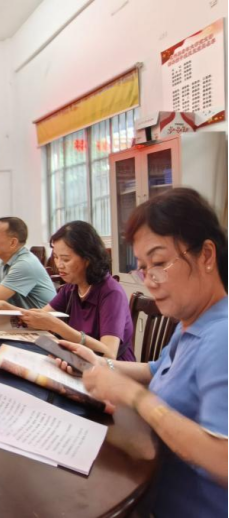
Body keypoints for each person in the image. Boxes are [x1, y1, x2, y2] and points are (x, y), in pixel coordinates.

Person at [55, 189, 227, 518]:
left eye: (159, 263)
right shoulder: (192, 323)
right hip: (145, 487)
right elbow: (156, 369)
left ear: (206, 255)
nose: (150, 281)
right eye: (144, 268)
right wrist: (99, 363)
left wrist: (135, 397)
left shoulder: (221, 336)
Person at [0, 221, 135, 360]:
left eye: (66, 259)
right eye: (56, 258)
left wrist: (56, 326)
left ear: (88, 259)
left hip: (110, 371)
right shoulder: (71, 287)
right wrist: (8, 308)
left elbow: (109, 353)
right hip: (77, 360)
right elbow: (40, 317)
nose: (59, 265)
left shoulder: (111, 293)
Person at [0, 217, 56, 309]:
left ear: (13, 243)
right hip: (20, 316)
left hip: (42, 318)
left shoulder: (24, 264)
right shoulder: (0, 260)